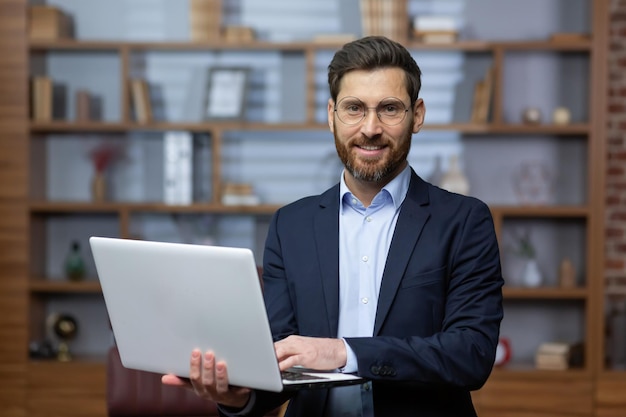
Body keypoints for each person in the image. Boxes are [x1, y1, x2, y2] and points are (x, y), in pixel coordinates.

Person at [162, 35, 504, 417]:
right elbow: (280, 360)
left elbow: (470, 354)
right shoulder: (289, 225)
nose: (370, 128)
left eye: (389, 109)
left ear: (417, 115)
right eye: (354, 108)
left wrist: (344, 352)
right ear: (331, 115)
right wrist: (238, 396)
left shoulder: (464, 221)